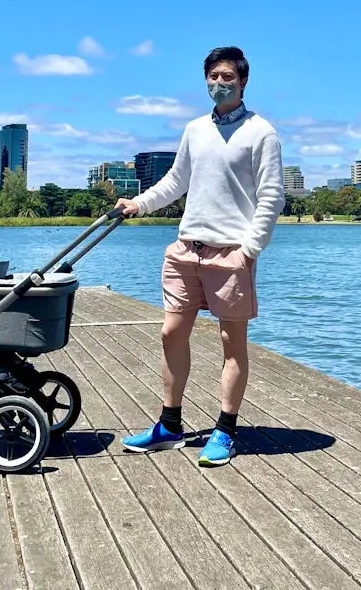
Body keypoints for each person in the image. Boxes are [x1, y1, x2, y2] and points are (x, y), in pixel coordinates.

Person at [116, 46, 284, 466]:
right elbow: (176, 181)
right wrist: (139, 204)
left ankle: (225, 431)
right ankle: (169, 426)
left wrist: (249, 251)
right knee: (171, 333)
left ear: (243, 82)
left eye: (227, 76)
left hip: (231, 255)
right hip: (186, 249)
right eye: (212, 76)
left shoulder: (261, 132)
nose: (218, 83)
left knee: (232, 342)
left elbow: (271, 196)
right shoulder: (194, 129)